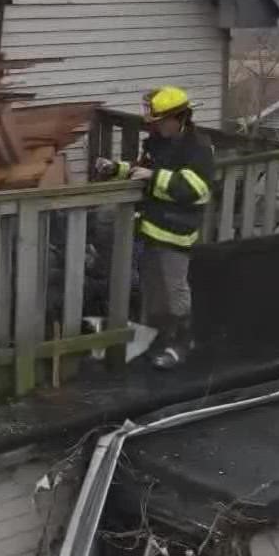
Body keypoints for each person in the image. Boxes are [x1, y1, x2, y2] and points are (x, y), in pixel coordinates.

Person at [94, 86, 215, 368]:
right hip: (151, 229)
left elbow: (193, 189)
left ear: (179, 118)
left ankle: (182, 343)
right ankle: (160, 340)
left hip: (176, 233)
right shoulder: (157, 142)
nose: (156, 127)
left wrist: (154, 176)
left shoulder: (198, 148)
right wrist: (116, 169)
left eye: (161, 122)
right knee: (154, 295)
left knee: (174, 294)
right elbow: (143, 169)